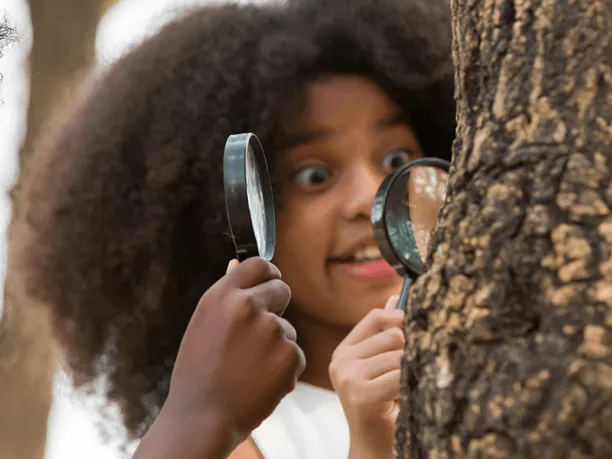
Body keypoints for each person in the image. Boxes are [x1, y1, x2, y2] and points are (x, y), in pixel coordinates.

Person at [12, 0, 455, 458]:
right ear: (228, 216)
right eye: (314, 176)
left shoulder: (497, 371)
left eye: (396, 160)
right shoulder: (251, 443)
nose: (368, 196)